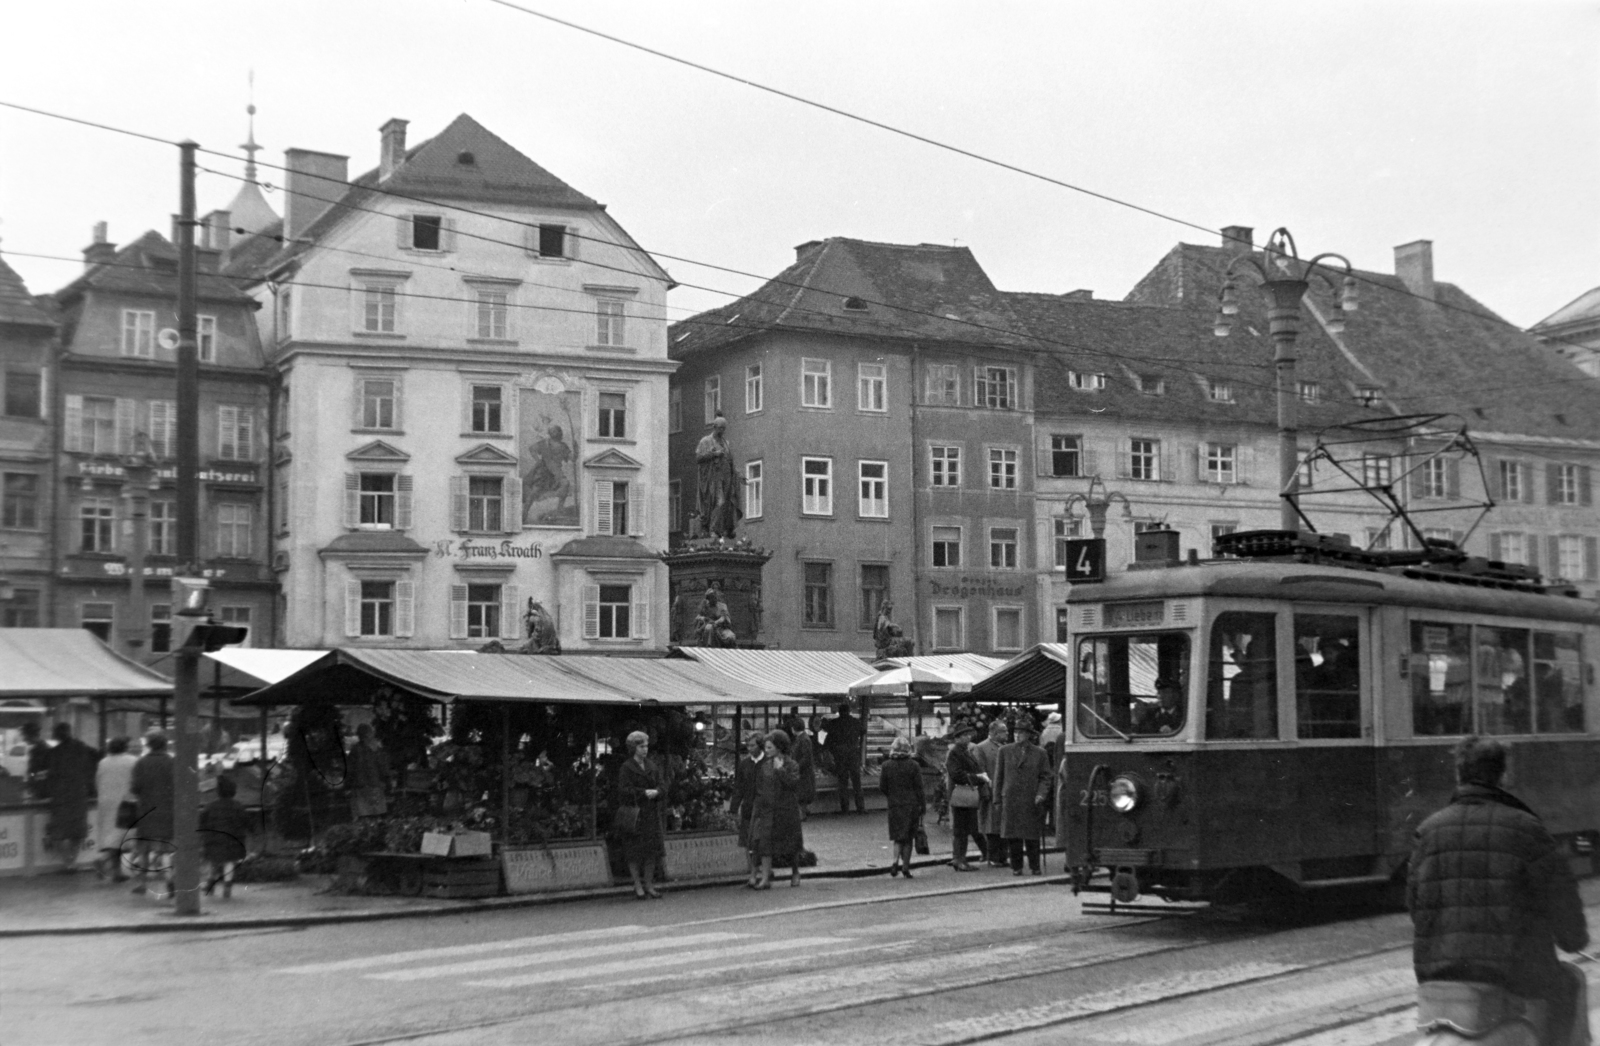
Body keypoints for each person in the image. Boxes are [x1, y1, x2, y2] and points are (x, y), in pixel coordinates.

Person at [1410, 735, 1590, 1045]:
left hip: (1438, 976)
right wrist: (1573, 939)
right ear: (1503, 776)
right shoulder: (1527, 829)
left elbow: (1416, 907)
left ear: (1458, 774)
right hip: (1514, 976)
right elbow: (1561, 901)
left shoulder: (1427, 832)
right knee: (1568, 985)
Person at [993, 718, 1053, 876]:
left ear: (1029, 735)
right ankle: (1017, 866)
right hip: (1011, 799)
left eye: (1021, 732)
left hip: (1031, 799)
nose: (1017, 735)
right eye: (1016, 732)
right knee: (1013, 836)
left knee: (1032, 835)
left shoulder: (1040, 753)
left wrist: (1041, 794)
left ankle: (1035, 866)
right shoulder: (1004, 751)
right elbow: (998, 777)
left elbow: (1046, 777)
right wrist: (997, 799)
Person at [748, 730, 803, 888]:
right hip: (769, 810)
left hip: (787, 810)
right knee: (765, 843)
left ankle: (795, 872)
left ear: (779, 747)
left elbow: (793, 783)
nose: (766, 751)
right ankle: (765, 877)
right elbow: (760, 787)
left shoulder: (791, 764)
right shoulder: (765, 766)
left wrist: (780, 770)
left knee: (791, 844)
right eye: (765, 747)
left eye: (770, 747)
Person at [616, 730, 667, 900]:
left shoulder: (652, 766)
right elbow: (623, 790)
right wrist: (643, 793)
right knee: (635, 852)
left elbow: (663, 785)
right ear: (633, 748)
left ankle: (649, 885)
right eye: (641, 746)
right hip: (635, 814)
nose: (645, 749)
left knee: (651, 852)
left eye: (646, 746)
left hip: (651, 813)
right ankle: (638, 885)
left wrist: (657, 792)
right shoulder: (626, 767)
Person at [43, 723, 98, 870]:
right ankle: (72, 861)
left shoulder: (54, 752)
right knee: (77, 832)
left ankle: (68, 862)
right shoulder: (82, 748)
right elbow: (95, 761)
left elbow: (50, 775)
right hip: (78, 794)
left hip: (60, 795)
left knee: (59, 832)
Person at [129, 732, 175, 898]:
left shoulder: (141, 763)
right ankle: (170, 879)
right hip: (168, 810)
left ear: (148, 745)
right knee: (165, 848)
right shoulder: (172, 762)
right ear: (165, 744)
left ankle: (142, 884)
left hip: (146, 810)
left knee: (144, 849)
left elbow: (135, 788)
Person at [943, 722, 989, 871]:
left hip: (967, 793)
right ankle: (960, 860)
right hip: (963, 793)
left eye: (968, 734)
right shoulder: (956, 753)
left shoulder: (965, 751)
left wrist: (979, 775)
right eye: (964, 735)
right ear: (957, 738)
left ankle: (960, 858)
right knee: (962, 829)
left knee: (966, 827)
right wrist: (978, 777)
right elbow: (956, 774)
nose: (968, 737)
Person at [879, 736, 926, 878]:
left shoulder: (886, 765)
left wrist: (892, 796)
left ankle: (894, 862)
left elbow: (882, 786)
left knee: (897, 837)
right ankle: (905, 867)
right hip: (911, 804)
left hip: (894, 805)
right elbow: (919, 788)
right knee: (908, 838)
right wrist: (922, 806)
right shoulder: (914, 765)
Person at [199, 775, 252, 899]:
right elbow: (248, 823)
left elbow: (201, 822)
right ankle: (227, 886)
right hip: (234, 840)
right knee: (229, 862)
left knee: (213, 862)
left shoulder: (210, 806)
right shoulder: (238, 806)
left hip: (213, 840)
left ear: (218, 792)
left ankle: (210, 883)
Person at [93, 737, 138, 882]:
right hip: (127, 803)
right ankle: (104, 859)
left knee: (111, 837)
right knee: (123, 836)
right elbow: (137, 782)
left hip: (105, 803)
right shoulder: (132, 761)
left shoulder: (103, 762)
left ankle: (116, 871)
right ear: (125, 747)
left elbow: (97, 782)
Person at [694, 414, 742, 539]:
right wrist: (714, 454)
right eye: (720, 428)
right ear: (714, 427)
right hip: (713, 479)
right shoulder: (706, 441)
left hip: (727, 478)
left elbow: (731, 461)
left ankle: (724, 529)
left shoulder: (726, 443)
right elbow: (698, 457)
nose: (722, 431)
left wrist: (738, 475)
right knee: (720, 502)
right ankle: (713, 530)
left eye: (724, 428)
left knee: (727, 504)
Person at [730, 732, 764, 886]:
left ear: (760, 745)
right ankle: (754, 870)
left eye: (752, 745)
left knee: (759, 841)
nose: (749, 749)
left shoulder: (767, 762)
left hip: (763, 808)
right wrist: (733, 808)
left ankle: (758, 872)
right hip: (748, 807)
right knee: (749, 842)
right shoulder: (744, 764)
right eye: (748, 745)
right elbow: (739, 787)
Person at [973, 720, 1008, 866]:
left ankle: (1003, 856)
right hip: (991, 791)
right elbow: (980, 769)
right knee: (992, 826)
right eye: (1004, 731)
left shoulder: (1006, 747)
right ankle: (993, 857)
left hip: (1005, 792)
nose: (1007, 733)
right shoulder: (981, 748)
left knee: (1003, 825)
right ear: (994, 733)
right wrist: (985, 790)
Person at [821, 703, 864, 814]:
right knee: (857, 782)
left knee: (843, 782)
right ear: (849, 711)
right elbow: (863, 731)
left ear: (839, 712)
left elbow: (827, 738)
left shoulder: (834, 723)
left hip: (840, 756)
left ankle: (845, 808)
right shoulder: (855, 722)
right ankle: (860, 807)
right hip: (853, 754)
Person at [346, 723, 391, 818]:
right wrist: (387, 781)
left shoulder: (355, 750)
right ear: (368, 734)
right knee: (376, 814)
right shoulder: (375, 750)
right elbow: (383, 767)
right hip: (374, 785)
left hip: (361, 786)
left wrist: (349, 784)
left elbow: (350, 769)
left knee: (364, 815)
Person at [787, 715, 817, 821]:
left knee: (801, 794)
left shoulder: (803, 739)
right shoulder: (803, 738)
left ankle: (802, 814)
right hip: (803, 771)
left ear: (793, 728)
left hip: (803, 772)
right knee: (801, 793)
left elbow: (806, 757)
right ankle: (803, 812)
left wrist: (796, 767)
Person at [20, 721, 49, 799]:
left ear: (30, 735)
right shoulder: (39, 749)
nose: (24, 739)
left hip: (41, 789)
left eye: (24, 735)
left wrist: (32, 778)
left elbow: (40, 772)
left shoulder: (41, 750)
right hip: (39, 788)